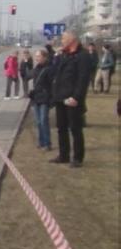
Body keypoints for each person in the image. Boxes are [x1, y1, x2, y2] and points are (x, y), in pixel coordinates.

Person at [49, 31, 91, 168]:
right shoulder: (64, 55)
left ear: (72, 40)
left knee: (75, 129)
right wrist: (56, 55)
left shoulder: (83, 56)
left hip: (73, 98)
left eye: (63, 39)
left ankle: (78, 158)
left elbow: (83, 80)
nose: (61, 41)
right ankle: (63, 155)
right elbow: (55, 72)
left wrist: (76, 97)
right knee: (61, 128)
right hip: (61, 97)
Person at [29, 49, 53, 151]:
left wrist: (51, 98)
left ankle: (47, 143)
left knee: (44, 120)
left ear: (44, 57)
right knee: (38, 122)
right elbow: (27, 76)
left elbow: (52, 85)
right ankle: (41, 141)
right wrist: (25, 63)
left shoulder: (49, 69)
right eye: (36, 56)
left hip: (45, 98)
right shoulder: (36, 68)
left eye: (39, 56)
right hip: (36, 98)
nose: (37, 58)